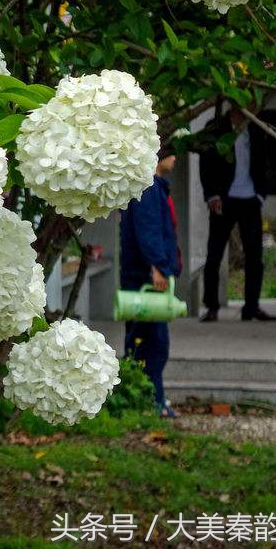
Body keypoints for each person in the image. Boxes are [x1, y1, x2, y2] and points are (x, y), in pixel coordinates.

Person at [199, 108, 276, 322]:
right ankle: (212, 306)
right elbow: (205, 162)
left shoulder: (256, 128)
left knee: (255, 256)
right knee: (214, 254)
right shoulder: (215, 128)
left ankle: (251, 307)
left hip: (250, 198)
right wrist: (211, 195)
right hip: (223, 199)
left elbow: (266, 161)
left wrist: (261, 194)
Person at [120, 144, 182, 418]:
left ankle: (148, 398)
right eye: (172, 153)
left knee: (145, 340)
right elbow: (149, 231)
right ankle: (152, 401)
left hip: (144, 274)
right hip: (145, 278)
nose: (175, 159)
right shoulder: (148, 187)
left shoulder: (152, 186)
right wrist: (158, 267)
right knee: (152, 343)